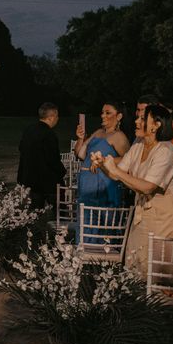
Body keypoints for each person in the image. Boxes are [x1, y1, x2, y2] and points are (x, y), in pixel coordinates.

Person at [91, 105, 173, 277]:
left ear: (156, 125)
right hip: (142, 214)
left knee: (156, 270)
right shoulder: (138, 146)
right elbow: (117, 173)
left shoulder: (165, 150)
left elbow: (147, 186)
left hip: (164, 217)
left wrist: (115, 170)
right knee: (136, 263)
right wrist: (103, 165)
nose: (136, 121)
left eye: (142, 119)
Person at [74, 103, 130, 242]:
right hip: (87, 184)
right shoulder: (98, 132)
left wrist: (104, 160)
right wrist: (80, 138)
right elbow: (80, 154)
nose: (103, 115)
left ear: (119, 116)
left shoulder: (119, 136)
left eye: (108, 113)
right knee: (85, 221)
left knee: (100, 222)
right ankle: (82, 256)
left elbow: (129, 159)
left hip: (102, 184)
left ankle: (99, 259)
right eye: (102, 112)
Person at [17, 102, 66, 209]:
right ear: (52, 117)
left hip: (31, 179)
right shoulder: (49, 134)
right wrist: (62, 172)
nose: (57, 119)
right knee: (59, 209)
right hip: (48, 181)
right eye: (57, 116)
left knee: (35, 210)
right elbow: (53, 159)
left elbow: (22, 150)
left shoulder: (28, 130)